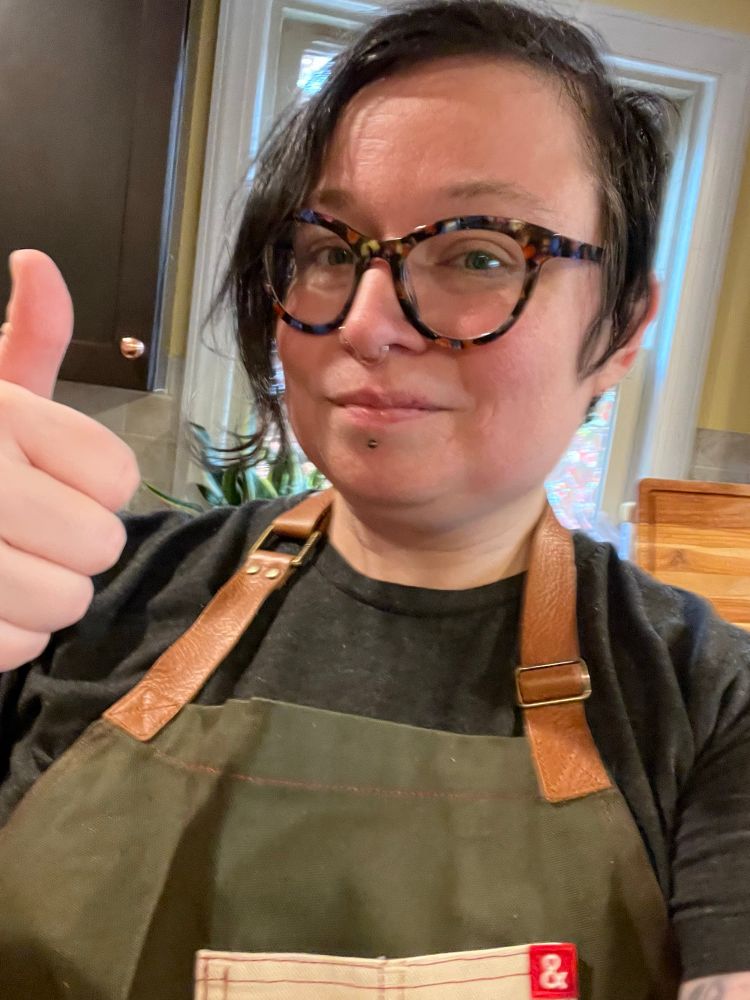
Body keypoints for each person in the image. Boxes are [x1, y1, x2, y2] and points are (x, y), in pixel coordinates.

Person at [0, 0, 747, 996]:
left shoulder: (711, 704)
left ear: (621, 328)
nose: (367, 318)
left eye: (481, 254)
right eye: (328, 250)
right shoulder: (61, 600)